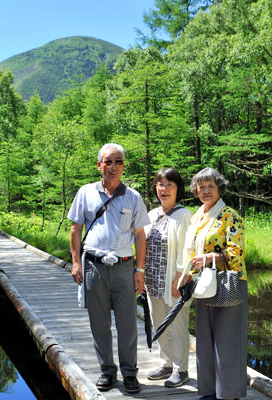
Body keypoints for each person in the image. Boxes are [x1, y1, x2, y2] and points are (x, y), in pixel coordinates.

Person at [68, 143, 149, 394]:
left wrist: (140, 270)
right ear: (99, 165)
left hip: (125, 268)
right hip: (93, 266)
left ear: (124, 166)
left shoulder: (133, 197)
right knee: (99, 323)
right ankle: (107, 371)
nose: (113, 167)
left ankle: (129, 373)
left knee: (128, 323)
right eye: (108, 162)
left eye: (118, 162)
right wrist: (75, 262)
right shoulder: (85, 192)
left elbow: (139, 236)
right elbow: (75, 229)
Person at [180, 167, 247, 400]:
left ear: (220, 188)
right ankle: (208, 392)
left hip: (227, 283)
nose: (205, 191)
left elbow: (236, 253)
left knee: (227, 341)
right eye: (201, 187)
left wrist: (208, 258)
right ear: (195, 190)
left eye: (210, 186)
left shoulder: (230, 215)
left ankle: (227, 394)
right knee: (205, 341)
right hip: (204, 284)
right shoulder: (198, 215)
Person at [143, 168, 193, 387]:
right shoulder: (152, 214)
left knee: (178, 325)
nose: (164, 189)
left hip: (174, 283)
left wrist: (180, 277)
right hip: (152, 282)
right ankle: (166, 364)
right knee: (160, 324)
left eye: (169, 184)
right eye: (160, 184)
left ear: (177, 188)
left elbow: (187, 249)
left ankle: (181, 369)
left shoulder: (183, 215)